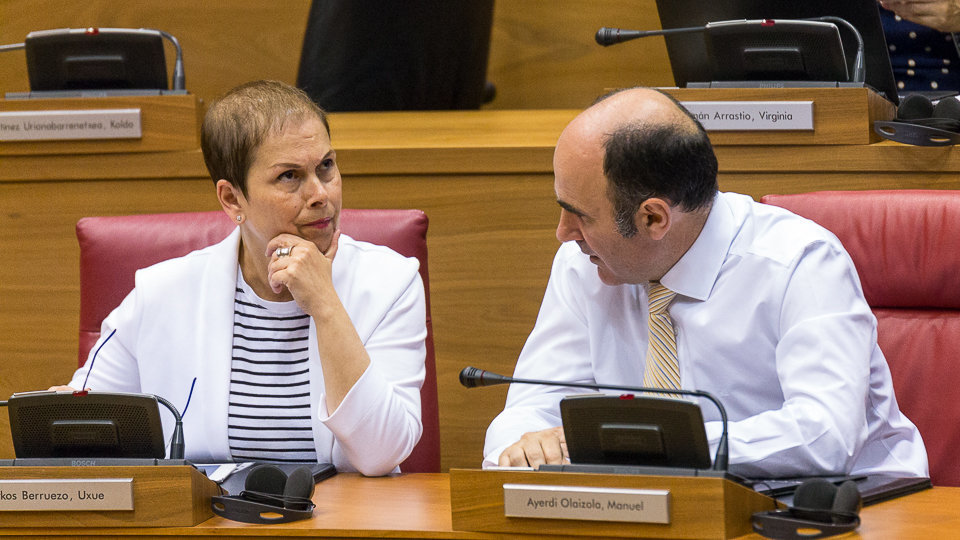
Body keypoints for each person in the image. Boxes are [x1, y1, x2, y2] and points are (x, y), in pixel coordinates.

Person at [482, 87, 929, 479]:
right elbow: (528, 409)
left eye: (579, 215)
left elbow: (824, 436)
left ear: (653, 217)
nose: (563, 232)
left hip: (851, 505)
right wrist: (521, 445)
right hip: (675, 512)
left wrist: (659, 446)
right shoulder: (583, 264)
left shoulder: (798, 262)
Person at [55, 80, 427, 476]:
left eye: (326, 167)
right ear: (232, 199)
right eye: (289, 176)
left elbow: (382, 453)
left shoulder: (391, 282)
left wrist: (325, 304)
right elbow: (85, 431)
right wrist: (64, 418)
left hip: (346, 526)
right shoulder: (161, 294)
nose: (321, 193)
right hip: (207, 528)